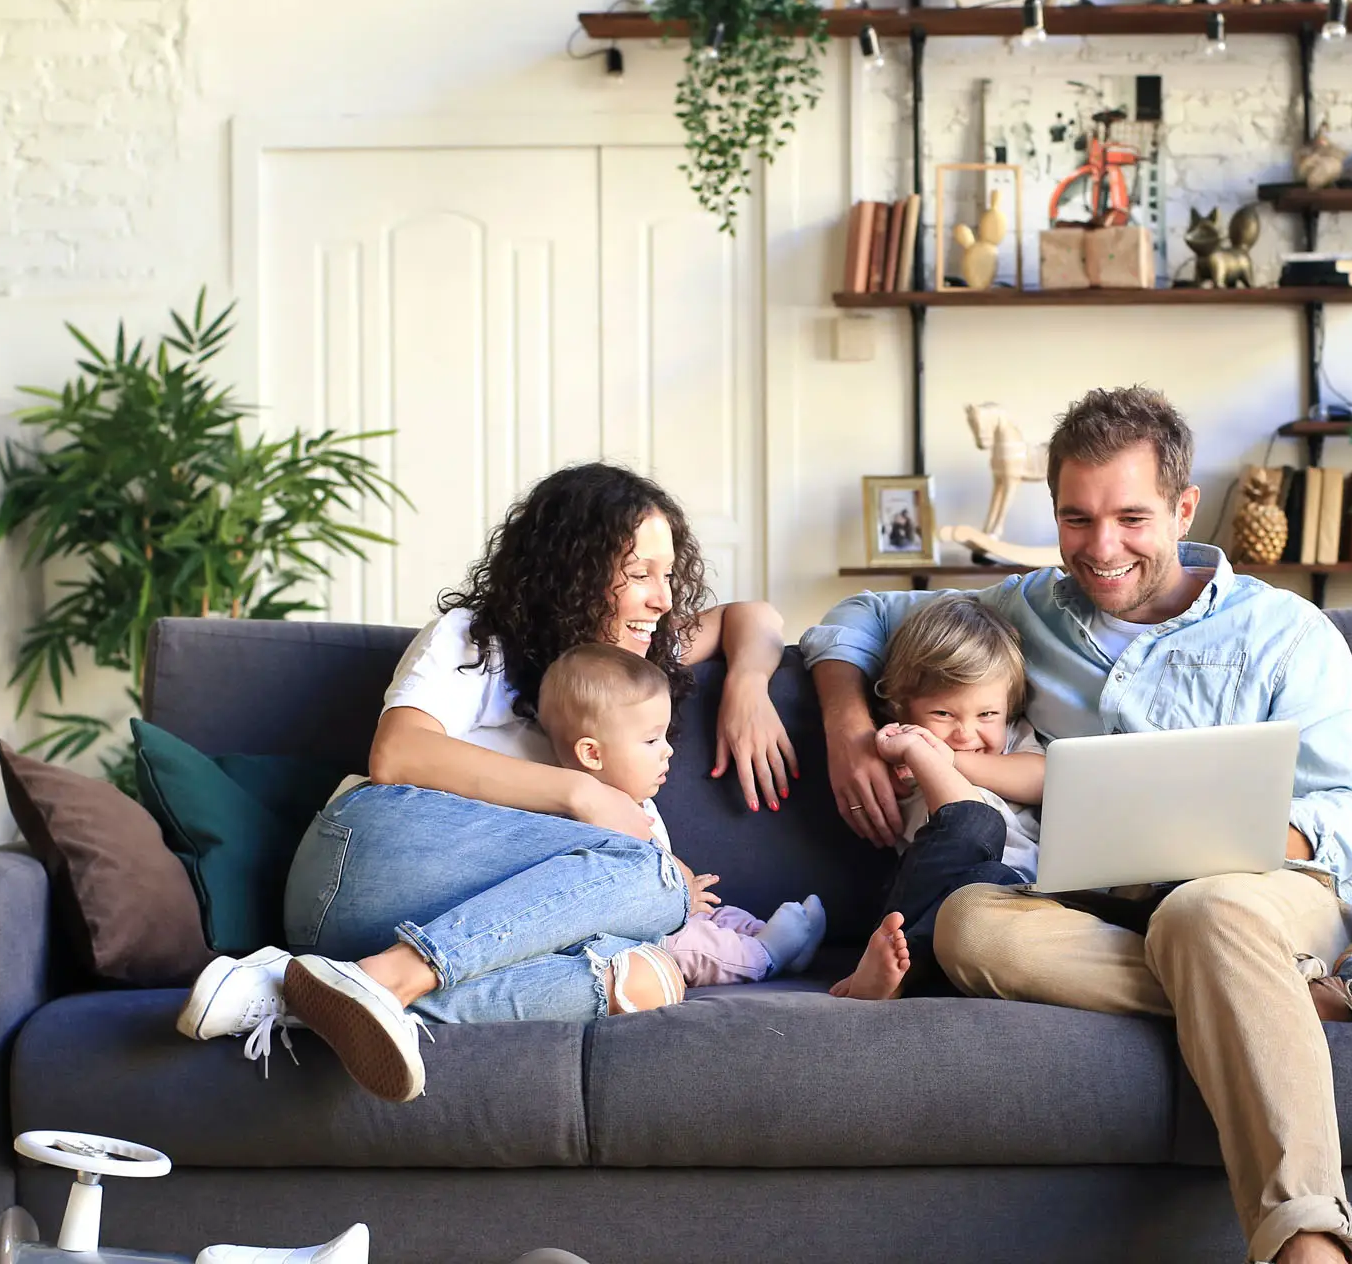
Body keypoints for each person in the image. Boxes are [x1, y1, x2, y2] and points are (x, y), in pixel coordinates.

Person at [800, 387, 1352, 1264]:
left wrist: (1230, 841)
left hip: (1260, 897)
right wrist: (846, 726)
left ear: (1181, 508)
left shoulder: (1286, 633)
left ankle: (1307, 1244)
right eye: (1076, 518)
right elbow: (860, 618)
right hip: (1088, 907)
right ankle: (1303, 992)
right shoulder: (1023, 610)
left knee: (1204, 912)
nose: (1101, 549)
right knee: (973, 926)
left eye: (1131, 517)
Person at [176, 462, 800, 1105]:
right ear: (573, 572)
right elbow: (398, 753)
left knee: (648, 976)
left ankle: (300, 992)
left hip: (427, 932)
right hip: (365, 865)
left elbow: (751, 617)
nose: (664, 599)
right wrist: (584, 796)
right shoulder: (477, 640)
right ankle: (390, 978)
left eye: (667, 575)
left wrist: (749, 688)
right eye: (639, 574)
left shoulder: (631, 659)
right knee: (656, 875)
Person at [537, 643, 828, 987]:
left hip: (671, 911)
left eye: (665, 736)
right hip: (638, 935)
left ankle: (783, 943)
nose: (668, 750)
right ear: (591, 753)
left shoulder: (636, 801)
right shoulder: (584, 818)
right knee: (692, 946)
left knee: (720, 916)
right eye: (650, 741)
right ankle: (766, 956)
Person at [829, 595, 1045, 1000]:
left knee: (996, 879)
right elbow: (966, 817)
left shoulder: (1012, 739)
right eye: (944, 715)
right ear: (901, 706)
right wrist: (920, 753)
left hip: (1013, 901)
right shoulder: (899, 748)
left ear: (1009, 709)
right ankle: (886, 976)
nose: (966, 733)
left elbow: (1043, 778)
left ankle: (899, 983)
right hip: (931, 897)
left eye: (987, 715)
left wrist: (948, 756)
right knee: (976, 837)